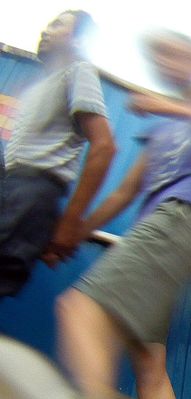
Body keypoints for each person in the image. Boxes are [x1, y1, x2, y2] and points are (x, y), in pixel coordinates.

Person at [55, 30, 191, 399]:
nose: (166, 62)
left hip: (181, 218)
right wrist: (76, 230)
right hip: (165, 227)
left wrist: (176, 109)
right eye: (159, 55)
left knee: (79, 309)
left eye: (176, 54)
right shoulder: (159, 128)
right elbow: (125, 191)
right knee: (150, 368)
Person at [0, 10, 115, 297]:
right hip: (12, 187)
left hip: (33, 195)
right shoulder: (39, 87)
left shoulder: (78, 70)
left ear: (77, 40)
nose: (46, 30)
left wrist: (69, 224)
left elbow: (105, 146)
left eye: (57, 24)